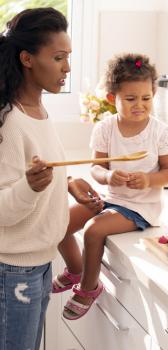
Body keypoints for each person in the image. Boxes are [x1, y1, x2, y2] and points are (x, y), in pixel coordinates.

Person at [0, 8, 103, 350]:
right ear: (27, 59)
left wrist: (68, 182)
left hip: (39, 265)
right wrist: (31, 187)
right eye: (58, 58)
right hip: (13, 272)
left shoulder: (39, 111)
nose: (67, 68)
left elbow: (34, 170)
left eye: (68, 57)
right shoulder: (10, 123)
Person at [53, 53, 168, 320]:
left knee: (94, 229)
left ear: (153, 95)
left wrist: (148, 180)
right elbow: (96, 168)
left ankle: (89, 288)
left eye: (146, 98)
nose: (140, 105)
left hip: (140, 207)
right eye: (130, 99)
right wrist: (108, 177)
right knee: (58, 222)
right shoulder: (105, 127)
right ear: (113, 99)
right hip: (109, 198)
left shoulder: (161, 132)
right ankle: (76, 269)